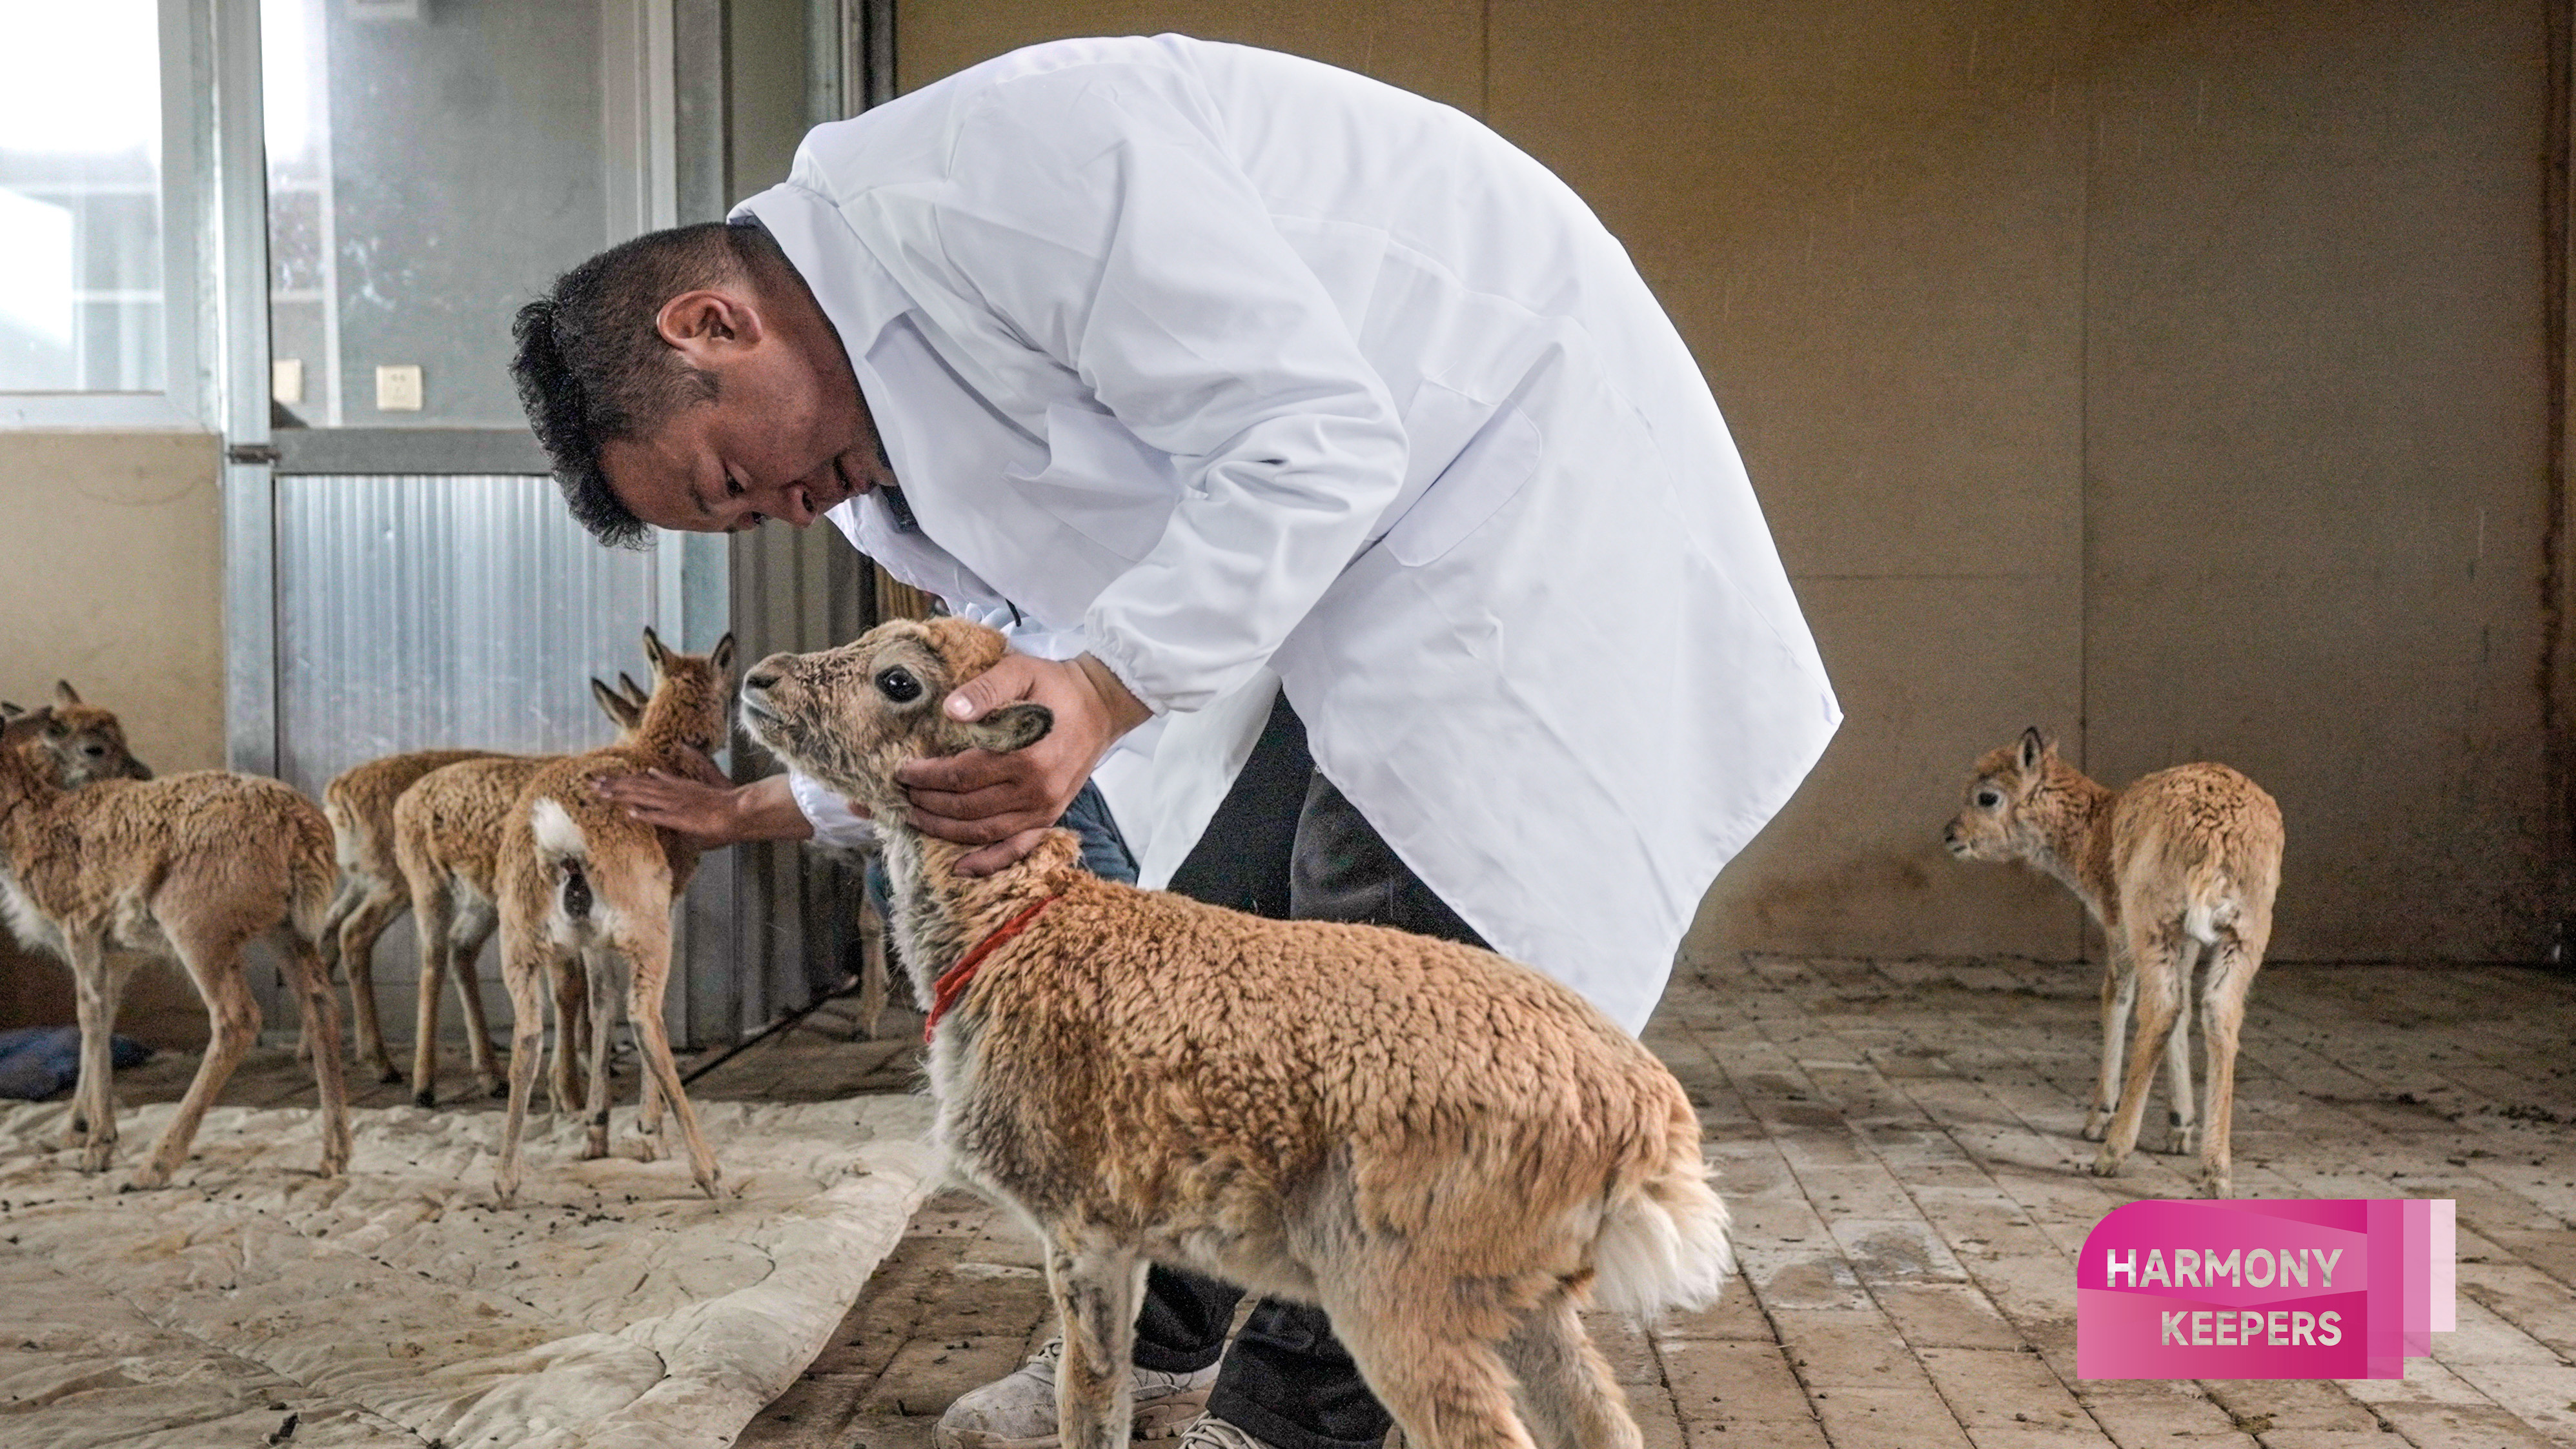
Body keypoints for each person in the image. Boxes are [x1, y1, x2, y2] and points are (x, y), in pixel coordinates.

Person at [511, 34, 1840, 1449]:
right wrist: (790, 803)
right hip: (1332, 576)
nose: (780, 508)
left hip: (1504, 497)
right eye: (739, 516)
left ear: (711, 327)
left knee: (1390, 975)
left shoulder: (1018, 167)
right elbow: (1011, 650)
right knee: (1197, 939)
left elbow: (1316, 440)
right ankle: (1142, 1360)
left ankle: (1284, 1425)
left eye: (733, 478)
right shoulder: (859, 432)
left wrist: (1103, 682)